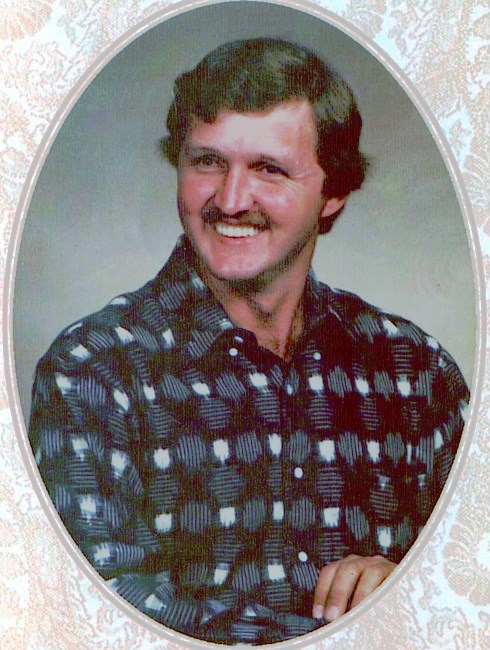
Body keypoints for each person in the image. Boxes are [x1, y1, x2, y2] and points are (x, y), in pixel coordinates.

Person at [29, 38, 469, 644]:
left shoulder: (417, 373)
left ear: (334, 192)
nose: (231, 201)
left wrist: (418, 587)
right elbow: (96, 620)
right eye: (208, 162)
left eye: (269, 169)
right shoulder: (93, 373)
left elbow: (471, 595)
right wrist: (380, 623)